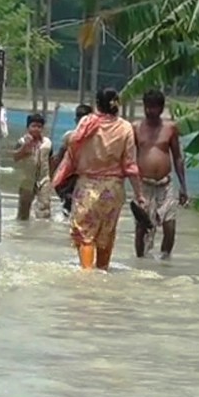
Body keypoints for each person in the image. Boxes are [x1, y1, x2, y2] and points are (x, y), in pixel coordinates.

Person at [53, 88, 146, 271]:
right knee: (106, 235)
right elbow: (130, 166)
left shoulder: (87, 122)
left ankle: (87, 277)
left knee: (85, 236)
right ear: (117, 105)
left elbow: (72, 144)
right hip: (113, 189)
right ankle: (103, 272)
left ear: (97, 104)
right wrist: (139, 194)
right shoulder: (125, 128)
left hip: (87, 188)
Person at [133, 89, 189, 258]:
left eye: (153, 107)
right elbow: (127, 157)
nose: (149, 111)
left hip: (165, 184)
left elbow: (177, 157)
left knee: (170, 227)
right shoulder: (136, 128)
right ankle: (140, 262)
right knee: (142, 227)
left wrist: (183, 187)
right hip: (144, 184)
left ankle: (165, 261)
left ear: (161, 108)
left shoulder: (170, 128)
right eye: (147, 106)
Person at [53, 104, 93, 216]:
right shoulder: (69, 137)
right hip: (71, 180)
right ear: (76, 120)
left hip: (88, 179)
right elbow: (58, 159)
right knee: (69, 211)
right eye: (81, 120)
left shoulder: (96, 137)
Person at [13, 114, 53, 220]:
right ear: (28, 127)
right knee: (23, 212)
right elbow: (15, 157)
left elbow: (50, 160)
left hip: (43, 179)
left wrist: (52, 178)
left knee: (45, 209)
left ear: (43, 128)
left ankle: (42, 228)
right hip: (27, 179)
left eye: (39, 126)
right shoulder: (21, 141)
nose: (36, 129)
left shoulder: (47, 143)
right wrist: (25, 147)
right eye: (33, 126)